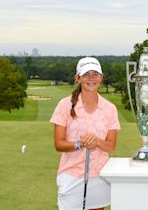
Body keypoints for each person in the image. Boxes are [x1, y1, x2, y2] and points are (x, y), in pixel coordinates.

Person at [50, 57, 120, 210]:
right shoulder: (64, 105)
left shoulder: (110, 108)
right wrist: (79, 143)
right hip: (71, 175)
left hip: (99, 175)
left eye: (95, 74)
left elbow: (111, 147)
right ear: (77, 78)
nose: (91, 78)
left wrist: (96, 141)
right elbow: (59, 144)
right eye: (86, 74)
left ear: (101, 78)